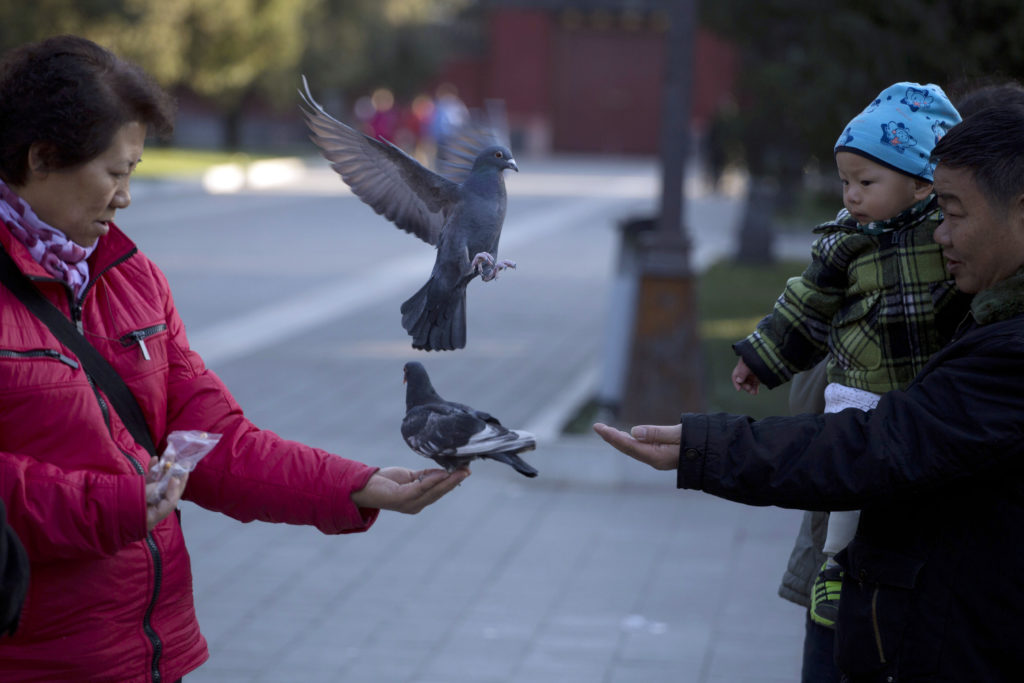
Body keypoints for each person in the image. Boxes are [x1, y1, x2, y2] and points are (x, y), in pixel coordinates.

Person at [0, 35, 468, 681]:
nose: (126, 196)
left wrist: (356, 484)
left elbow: (216, 439)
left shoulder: (132, 280)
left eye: (134, 171)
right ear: (42, 158)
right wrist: (117, 506)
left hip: (151, 656)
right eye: (115, 172)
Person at [595, 103, 1024, 682]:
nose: (940, 234)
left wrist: (706, 448)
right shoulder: (975, 307)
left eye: (949, 213)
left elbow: (878, 446)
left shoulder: (1007, 350)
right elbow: (811, 320)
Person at [729, 82, 970, 630]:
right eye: (844, 181)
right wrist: (762, 358)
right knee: (849, 481)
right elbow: (806, 304)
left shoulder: (946, 232)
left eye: (866, 182)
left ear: (918, 184)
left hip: (927, 385)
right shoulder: (846, 241)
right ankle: (837, 567)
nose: (851, 196)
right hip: (861, 381)